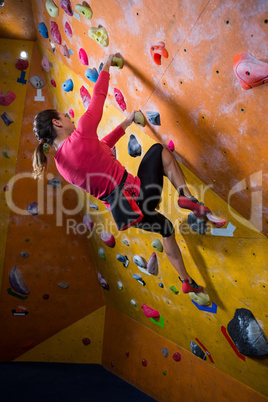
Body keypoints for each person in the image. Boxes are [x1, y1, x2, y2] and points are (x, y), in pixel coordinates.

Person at [33, 54, 205, 294]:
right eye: (65, 116)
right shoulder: (80, 133)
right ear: (57, 123)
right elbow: (98, 98)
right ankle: (185, 195)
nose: (69, 118)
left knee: (166, 228)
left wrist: (126, 124)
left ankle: (186, 280)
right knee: (158, 151)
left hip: (125, 213)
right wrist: (105, 65)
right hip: (137, 195)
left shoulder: (61, 165)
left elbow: (100, 147)